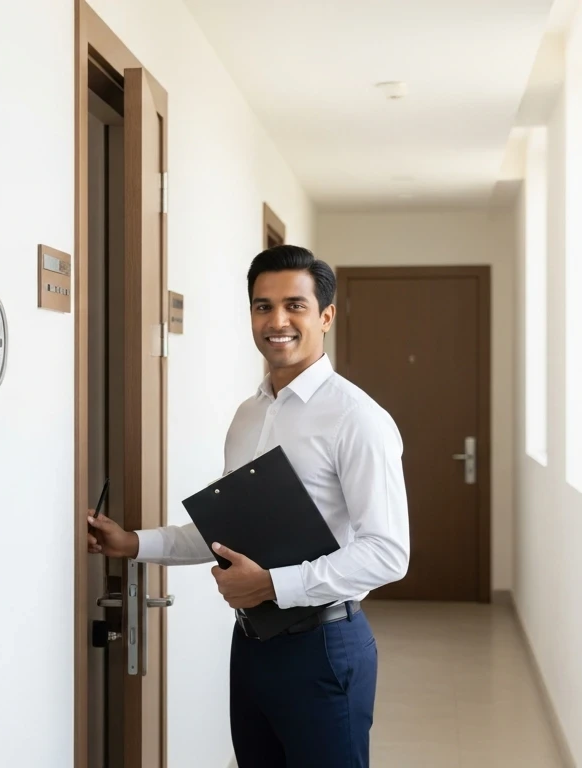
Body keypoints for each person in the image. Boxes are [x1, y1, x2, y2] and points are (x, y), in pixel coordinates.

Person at [87, 245, 410, 767]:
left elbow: (388, 553)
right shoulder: (248, 415)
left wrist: (271, 585)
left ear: (325, 316)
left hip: (324, 647)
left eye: (294, 306)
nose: (276, 321)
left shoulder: (357, 419)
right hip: (254, 646)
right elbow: (227, 531)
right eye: (263, 306)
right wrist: (133, 543)